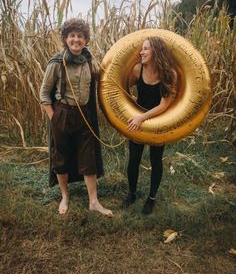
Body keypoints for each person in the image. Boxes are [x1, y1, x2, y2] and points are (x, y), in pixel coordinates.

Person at [40, 18, 113, 217]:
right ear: (65, 38)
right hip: (62, 114)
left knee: (88, 157)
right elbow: (44, 94)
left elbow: (105, 78)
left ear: (86, 39)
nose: (76, 40)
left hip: (84, 115)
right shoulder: (57, 62)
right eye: (72, 35)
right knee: (61, 156)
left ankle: (94, 202)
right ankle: (65, 196)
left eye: (80, 36)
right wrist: (54, 117)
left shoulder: (90, 60)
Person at [124, 36, 178, 215]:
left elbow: (164, 105)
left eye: (146, 49)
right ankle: (132, 193)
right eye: (141, 48)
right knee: (134, 159)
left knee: (156, 160)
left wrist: (142, 118)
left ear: (156, 51)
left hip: (158, 122)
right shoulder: (137, 69)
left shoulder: (169, 74)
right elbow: (123, 88)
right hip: (138, 121)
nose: (141, 52)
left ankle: (151, 198)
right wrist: (130, 106)